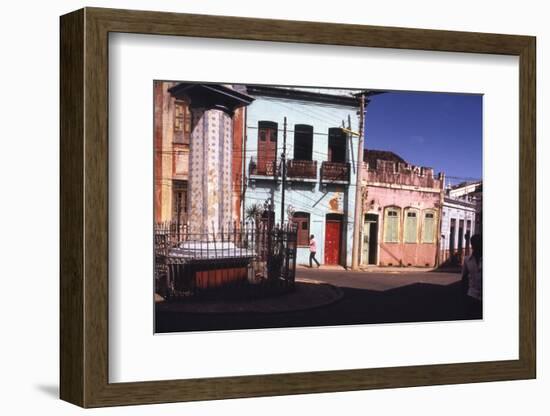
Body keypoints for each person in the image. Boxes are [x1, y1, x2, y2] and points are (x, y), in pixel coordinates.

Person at [461, 233, 482, 314]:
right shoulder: (467, 260)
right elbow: (464, 278)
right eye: (474, 244)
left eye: (478, 244)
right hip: (472, 295)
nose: (476, 246)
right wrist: (463, 296)